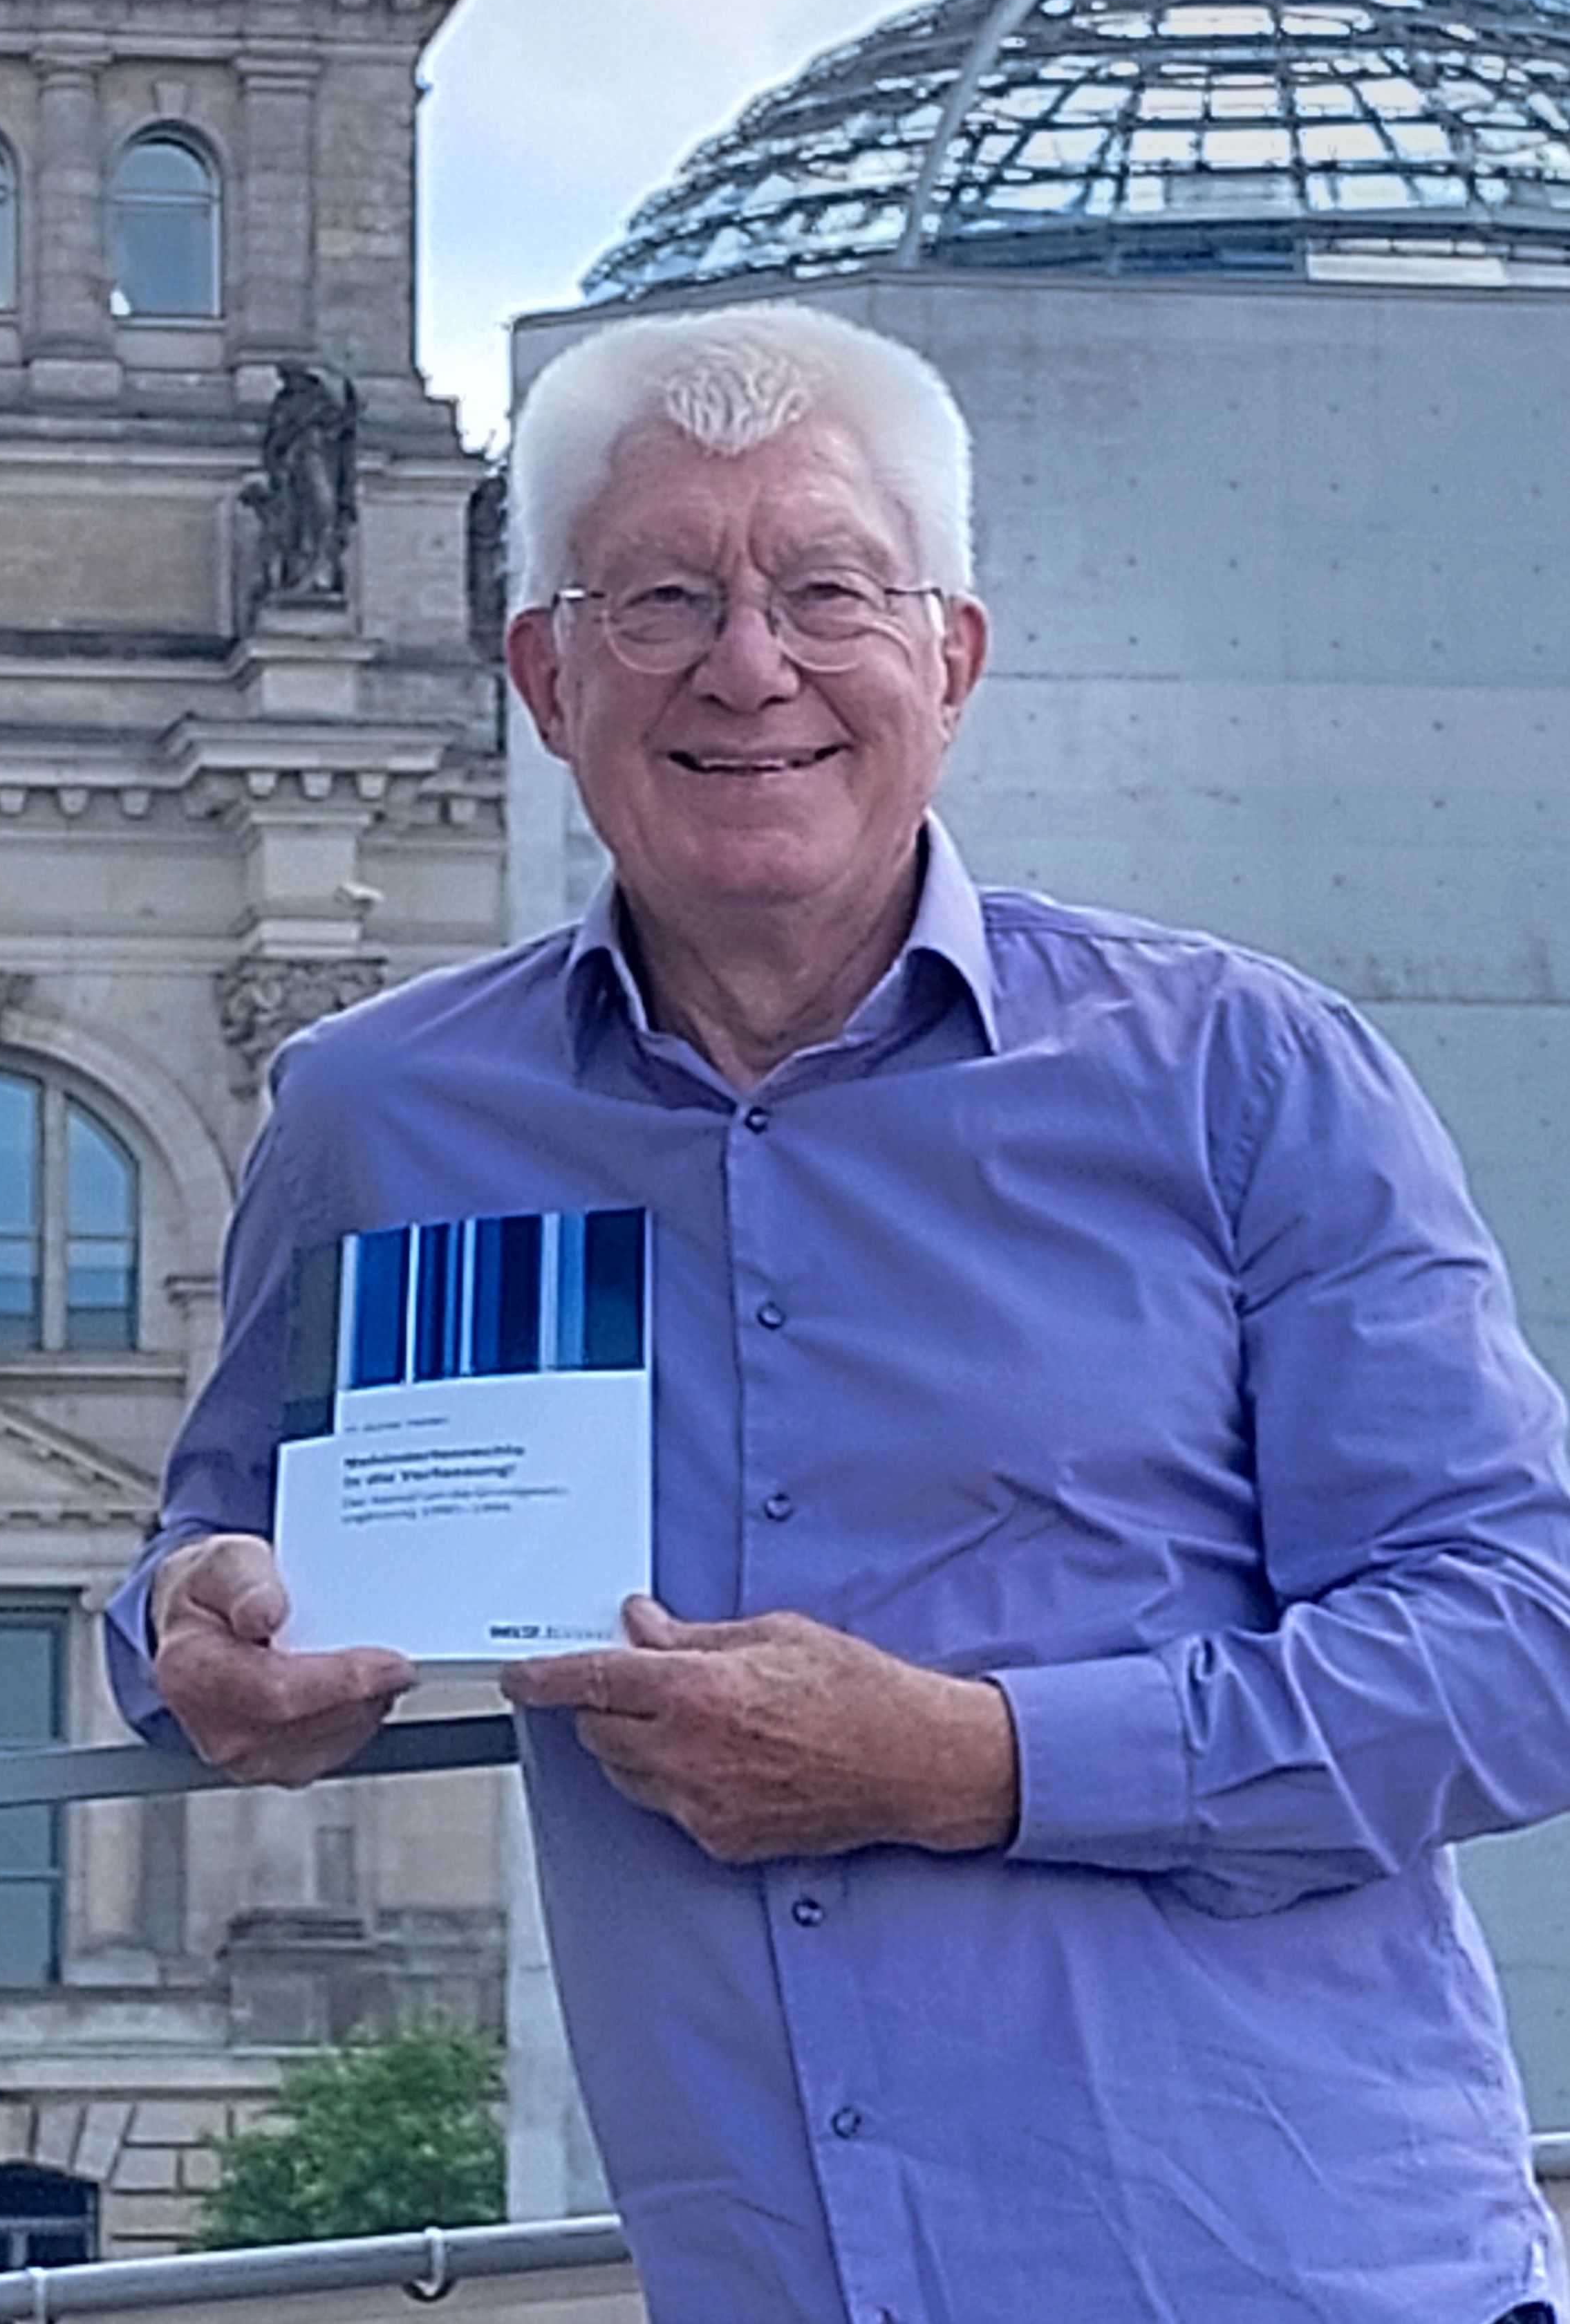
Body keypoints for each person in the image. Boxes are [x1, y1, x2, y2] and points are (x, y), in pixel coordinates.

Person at [107, 301, 1570, 2323]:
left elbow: (1519, 1645)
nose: (748, 665)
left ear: (948, 661)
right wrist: (206, 1630)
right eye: (660, 597)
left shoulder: (1241, 1073)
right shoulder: (381, 1114)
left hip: (1299, 2273)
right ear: (543, 672)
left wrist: (970, 1760)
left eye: (825, 590)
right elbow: (210, 1553)